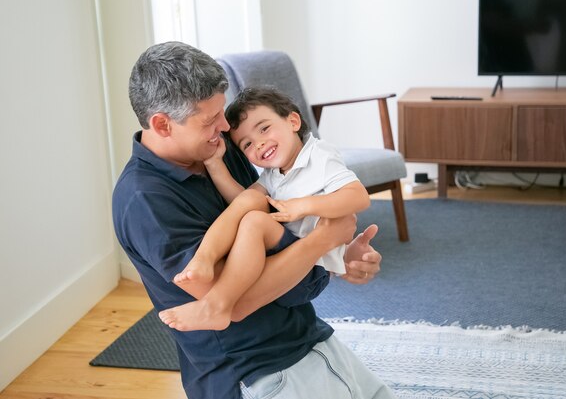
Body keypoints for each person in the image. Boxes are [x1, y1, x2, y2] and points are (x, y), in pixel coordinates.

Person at [112, 41, 395, 399]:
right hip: (256, 370)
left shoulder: (221, 147)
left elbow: (281, 230)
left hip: (304, 335)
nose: (225, 125)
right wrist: (322, 240)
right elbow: (236, 302)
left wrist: (339, 259)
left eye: (222, 111)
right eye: (210, 119)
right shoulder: (144, 202)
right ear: (162, 124)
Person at [157, 87, 371, 331]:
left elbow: (358, 197)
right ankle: (205, 258)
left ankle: (217, 305)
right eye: (247, 144)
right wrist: (215, 165)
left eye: (264, 128)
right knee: (249, 202)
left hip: (311, 271)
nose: (258, 144)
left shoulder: (319, 155)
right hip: (283, 254)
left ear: (292, 121)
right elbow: (242, 200)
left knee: (254, 221)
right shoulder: (273, 174)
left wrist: (304, 206)